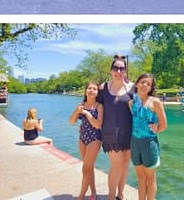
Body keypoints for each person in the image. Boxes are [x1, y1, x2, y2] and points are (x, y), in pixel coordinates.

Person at [98, 54, 134, 200]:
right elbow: (95, 107)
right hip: (110, 133)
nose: (118, 71)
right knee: (117, 165)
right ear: (111, 70)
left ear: (125, 71)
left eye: (122, 69)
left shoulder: (133, 88)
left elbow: (145, 105)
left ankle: (120, 194)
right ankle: (111, 197)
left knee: (125, 165)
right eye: (116, 68)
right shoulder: (103, 88)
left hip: (129, 133)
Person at [129, 72, 167, 200]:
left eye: (148, 84)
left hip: (149, 143)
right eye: (142, 82)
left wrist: (156, 129)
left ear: (151, 88)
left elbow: (164, 125)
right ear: (137, 84)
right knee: (140, 176)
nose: (145, 85)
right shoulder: (131, 102)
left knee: (150, 177)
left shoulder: (155, 102)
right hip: (134, 142)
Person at [69, 81, 104, 200]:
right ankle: (93, 193)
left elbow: (98, 125)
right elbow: (71, 122)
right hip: (82, 138)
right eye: (89, 88)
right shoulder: (81, 104)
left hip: (94, 138)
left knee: (85, 169)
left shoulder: (99, 106)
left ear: (97, 92)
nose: (91, 90)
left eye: (94, 89)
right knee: (89, 168)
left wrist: (87, 114)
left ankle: (81, 196)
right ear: (85, 91)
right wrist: (77, 111)